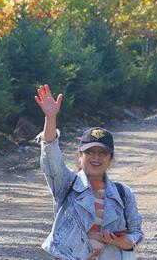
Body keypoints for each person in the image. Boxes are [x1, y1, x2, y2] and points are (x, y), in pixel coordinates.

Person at [35, 84, 143, 260]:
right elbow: (51, 155)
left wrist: (123, 242)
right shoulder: (67, 184)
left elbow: (136, 233)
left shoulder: (123, 193)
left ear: (110, 159)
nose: (96, 158)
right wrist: (50, 117)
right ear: (80, 156)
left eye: (102, 153)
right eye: (90, 152)